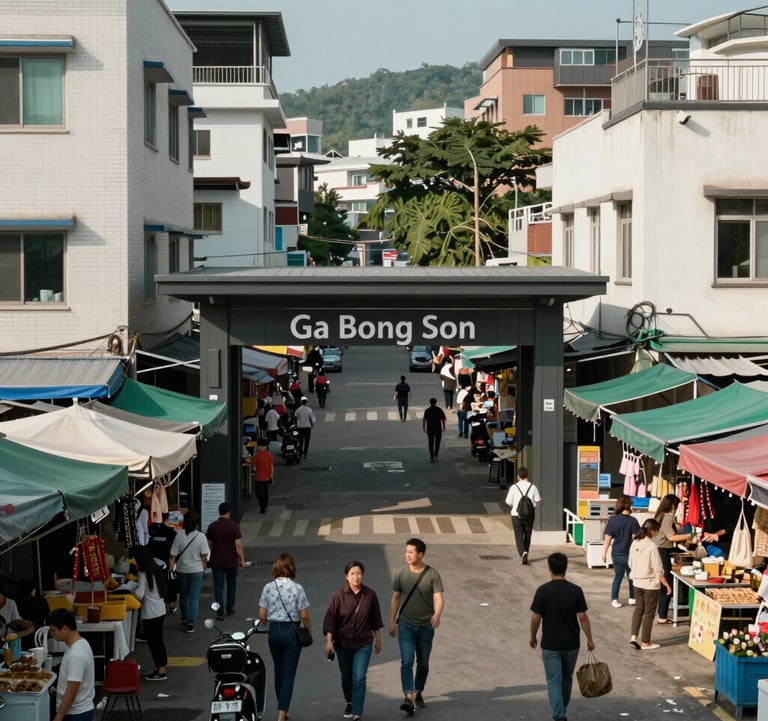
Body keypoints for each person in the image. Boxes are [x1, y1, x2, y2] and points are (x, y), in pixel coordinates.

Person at [529, 552, 595, 721]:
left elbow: (536, 618)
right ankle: (561, 709)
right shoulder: (576, 591)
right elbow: (583, 617)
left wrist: (533, 636)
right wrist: (589, 639)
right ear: (566, 568)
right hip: (571, 644)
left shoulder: (543, 591)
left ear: (549, 569)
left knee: (553, 680)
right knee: (566, 678)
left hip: (550, 644)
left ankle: (559, 715)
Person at [389, 538, 444, 717]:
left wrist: (437, 614)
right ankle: (408, 696)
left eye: (411, 552)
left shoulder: (432, 574)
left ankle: (418, 690)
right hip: (406, 624)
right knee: (406, 661)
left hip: (426, 626)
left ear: (421, 554)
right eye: (406, 551)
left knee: (423, 662)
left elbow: (438, 598)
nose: (408, 555)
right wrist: (391, 621)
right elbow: (396, 598)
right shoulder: (401, 574)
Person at [323, 561, 383, 721]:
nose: (356, 577)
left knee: (359, 677)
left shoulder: (370, 595)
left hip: (364, 642)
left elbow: (376, 619)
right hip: (343, 644)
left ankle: (357, 712)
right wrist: (329, 641)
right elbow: (330, 620)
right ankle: (349, 701)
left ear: (362, 575)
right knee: (346, 676)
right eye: (352, 574)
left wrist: (378, 640)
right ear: (346, 576)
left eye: (359, 573)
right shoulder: (338, 595)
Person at [258, 553, 312, 721]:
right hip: (291, 632)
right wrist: (309, 631)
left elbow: (262, 615)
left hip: (274, 632)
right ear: (291, 569)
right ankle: (281, 715)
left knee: (279, 671)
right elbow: (304, 615)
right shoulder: (297, 588)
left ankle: (283, 709)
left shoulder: (268, 587)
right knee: (288, 675)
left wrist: (266, 621)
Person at [628, 518, 671, 650]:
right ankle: (646, 642)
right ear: (653, 531)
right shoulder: (652, 546)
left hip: (636, 581)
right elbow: (658, 568)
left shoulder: (635, 543)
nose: (657, 533)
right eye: (657, 531)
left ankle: (633, 637)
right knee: (649, 613)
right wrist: (666, 584)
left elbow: (630, 562)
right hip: (650, 584)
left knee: (638, 610)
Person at [48, 608, 95, 721]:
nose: (51, 634)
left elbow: (72, 691)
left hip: (76, 714)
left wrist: (58, 717)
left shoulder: (75, 654)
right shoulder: (82, 642)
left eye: (53, 630)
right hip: (79, 711)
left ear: (64, 628)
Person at [168, 509, 209, 633]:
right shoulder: (201, 537)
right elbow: (204, 555)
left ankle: (184, 618)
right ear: (197, 523)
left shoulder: (179, 535)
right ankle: (191, 624)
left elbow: (172, 555)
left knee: (184, 596)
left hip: (182, 570)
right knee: (194, 597)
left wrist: (170, 570)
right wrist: (204, 567)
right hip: (197, 571)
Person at [132, 545, 169, 680]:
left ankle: (161, 671)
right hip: (160, 610)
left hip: (150, 613)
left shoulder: (143, 574)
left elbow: (139, 595)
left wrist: (132, 590)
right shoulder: (154, 570)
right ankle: (161, 668)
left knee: (154, 643)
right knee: (159, 641)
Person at [653, 494, 689, 624]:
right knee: (667, 582)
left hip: (660, 549)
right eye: (677, 505)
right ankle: (662, 615)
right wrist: (689, 536)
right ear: (672, 505)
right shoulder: (667, 516)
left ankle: (661, 613)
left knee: (665, 581)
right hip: (661, 550)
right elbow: (671, 537)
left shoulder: (659, 515)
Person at [206, 502, 245, 619]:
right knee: (231, 585)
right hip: (231, 561)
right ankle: (230, 608)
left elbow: (209, 543)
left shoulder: (212, 526)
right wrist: (242, 559)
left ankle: (219, 610)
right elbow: (238, 545)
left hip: (217, 561)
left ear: (219, 512)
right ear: (229, 512)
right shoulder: (234, 526)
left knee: (218, 586)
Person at [602, 494, 641, 608]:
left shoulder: (613, 520)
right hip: (629, 554)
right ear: (628, 506)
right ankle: (632, 598)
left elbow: (608, 537)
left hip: (616, 553)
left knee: (618, 577)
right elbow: (637, 537)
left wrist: (604, 553)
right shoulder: (633, 521)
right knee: (631, 576)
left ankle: (614, 599)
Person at [504, 467, 541, 565]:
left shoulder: (514, 487)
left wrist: (515, 505)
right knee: (527, 536)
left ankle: (522, 553)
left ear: (518, 476)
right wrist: (532, 506)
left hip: (516, 515)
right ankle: (526, 554)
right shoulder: (533, 487)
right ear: (527, 475)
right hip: (529, 515)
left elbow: (508, 501)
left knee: (518, 535)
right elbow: (538, 500)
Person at [14, 581, 51, 649]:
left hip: (22, 636)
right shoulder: (40, 600)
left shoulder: (17, 603)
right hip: (39, 633)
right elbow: (47, 614)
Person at [252, 438, 275, 514]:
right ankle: (265, 506)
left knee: (259, 492)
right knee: (265, 492)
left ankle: (262, 508)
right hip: (267, 477)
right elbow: (271, 466)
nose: (258, 447)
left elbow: (254, 467)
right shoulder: (269, 454)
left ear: (261, 446)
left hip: (259, 478)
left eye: (259, 446)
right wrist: (271, 476)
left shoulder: (257, 456)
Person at [422, 397, 446, 463]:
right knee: (437, 443)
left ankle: (431, 457)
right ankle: (436, 455)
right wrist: (444, 427)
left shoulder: (427, 410)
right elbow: (443, 419)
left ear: (430, 403)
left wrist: (424, 428)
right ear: (436, 402)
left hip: (430, 429)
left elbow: (424, 420)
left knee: (431, 443)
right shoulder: (439, 409)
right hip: (438, 429)